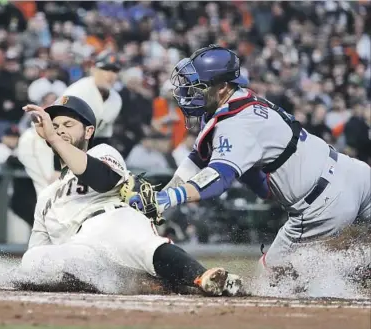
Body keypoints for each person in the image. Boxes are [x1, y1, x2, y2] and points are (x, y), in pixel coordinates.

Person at [0, 95, 242, 297]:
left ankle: (205, 277)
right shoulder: (47, 196)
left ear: (88, 130)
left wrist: (55, 139)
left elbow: (99, 176)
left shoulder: (102, 152)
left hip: (113, 220)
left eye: (68, 125)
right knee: (34, 258)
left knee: (136, 241)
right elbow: (34, 263)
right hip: (84, 251)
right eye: (54, 125)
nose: (60, 130)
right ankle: (152, 283)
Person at [122, 44, 371, 270]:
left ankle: (354, 264)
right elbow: (199, 158)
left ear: (221, 87)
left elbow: (218, 178)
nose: (189, 92)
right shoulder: (241, 101)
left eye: (198, 86)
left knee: (270, 276)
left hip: (323, 203)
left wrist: (168, 198)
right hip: (354, 173)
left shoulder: (236, 125)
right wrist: (163, 194)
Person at [62, 50, 122, 146]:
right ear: (93, 70)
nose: (110, 75)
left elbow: (103, 137)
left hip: (84, 144)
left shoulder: (116, 100)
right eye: (105, 69)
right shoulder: (77, 92)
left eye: (114, 71)